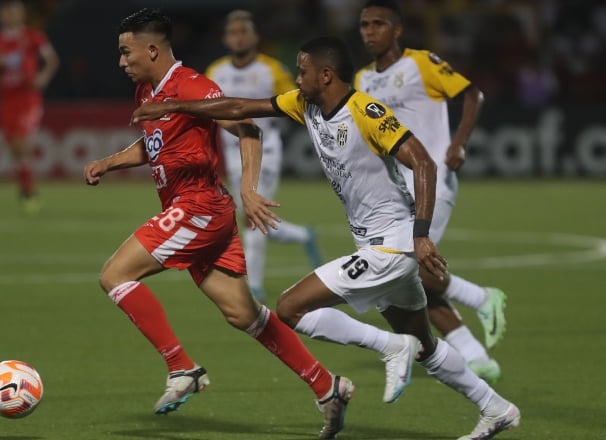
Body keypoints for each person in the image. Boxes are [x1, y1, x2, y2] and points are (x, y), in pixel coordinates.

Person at [131, 35, 521, 440]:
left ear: (326, 74)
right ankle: (495, 408)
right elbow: (240, 107)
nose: (296, 78)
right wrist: (176, 106)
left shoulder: (365, 111)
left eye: (302, 71)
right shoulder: (306, 105)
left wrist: (421, 235)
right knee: (425, 346)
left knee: (290, 308)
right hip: (375, 245)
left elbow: (422, 160)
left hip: (393, 245)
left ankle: (390, 346)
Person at [83, 9, 353, 439]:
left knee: (115, 274)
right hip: (203, 212)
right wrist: (110, 162)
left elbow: (248, 130)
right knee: (243, 313)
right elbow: (156, 145)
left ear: (151, 49)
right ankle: (327, 386)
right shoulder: (146, 91)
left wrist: (249, 188)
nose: (121, 61)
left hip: (199, 207)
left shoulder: (192, 86)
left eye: (125, 51)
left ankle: (181, 366)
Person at [354, 0, 506, 382]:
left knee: (405, 267)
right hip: (394, 189)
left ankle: (479, 297)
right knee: (408, 277)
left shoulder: (422, 62)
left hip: (431, 177)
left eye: (378, 24)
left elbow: (473, 94)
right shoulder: (362, 80)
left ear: (397, 30)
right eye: (364, 25)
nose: (370, 31)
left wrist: (459, 143)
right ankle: (474, 354)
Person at [205, 10, 323, 302]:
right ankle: (303, 236)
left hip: (264, 150)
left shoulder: (272, 69)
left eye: (244, 32)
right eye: (233, 32)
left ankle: (252, 287)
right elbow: (206, 111)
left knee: (250, 217)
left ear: (255, 37)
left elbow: (299, 100)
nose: (239, 37)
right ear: (226, 39)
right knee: (251, 216)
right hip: (233, 153)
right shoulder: (215, 72)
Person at [0, 0, 59, 214]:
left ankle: (29, 193)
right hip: (5, 101)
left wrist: (43, 77)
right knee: (14, 149)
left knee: (22, 143)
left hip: (28, 98)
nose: (12, 14)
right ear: (1, 15)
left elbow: (51, 60)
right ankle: (25, 189)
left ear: (22, 13)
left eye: (16, 10)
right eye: (8, 11)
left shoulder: (32, 36)